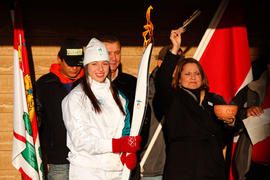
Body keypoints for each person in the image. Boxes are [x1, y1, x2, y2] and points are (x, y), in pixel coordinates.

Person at [154, 27, 236, 180]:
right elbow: (161, 81)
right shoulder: (173, 98)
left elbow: (224, 137)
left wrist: (230, 124)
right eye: (187, 74)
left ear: (202, 76)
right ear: (179, 78)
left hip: (212, 169)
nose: (193, 77)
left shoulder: (215, 100)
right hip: (183, 169)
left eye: (197, 73)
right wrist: (175, 48)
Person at [61, 38, 141, 180]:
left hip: (116, 171)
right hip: (88, 171)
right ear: (86, 66)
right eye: (94, 64)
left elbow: (124, 129)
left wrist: (126, 153)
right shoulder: (75, 98)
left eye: (104, 63)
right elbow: (81, 141)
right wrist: (118, 145)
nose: (100, 69)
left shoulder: (119, 97)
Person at [35, 38, 84, 180]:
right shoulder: (44, 84)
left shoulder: (88, 82)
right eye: (70, 63)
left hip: (85, 159)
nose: (75, 68)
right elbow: (36, 119)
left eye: (78, 63)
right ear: (59, 59)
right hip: (58, 161)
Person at [140, 45, 182, 180]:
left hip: (175, 169)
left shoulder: (182, 93)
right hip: (151, 168)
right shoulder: (144, 92)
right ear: (160, 63)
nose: (179, 68)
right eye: (175, 63)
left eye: (181, 64)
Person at [99, 34, 137, 117]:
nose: (113, 58)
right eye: (108, 53)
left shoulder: (133, 84)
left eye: (117, 53)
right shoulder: (85, 85)